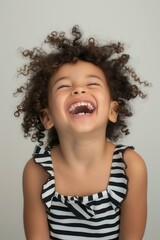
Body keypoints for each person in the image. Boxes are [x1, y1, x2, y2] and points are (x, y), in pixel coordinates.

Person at [14, 25, 148, 240]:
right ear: (47, 117)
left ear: (113, 111)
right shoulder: (37, 171)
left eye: (92, 83)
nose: (78, 89)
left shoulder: (130, 167)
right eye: (63, 86)